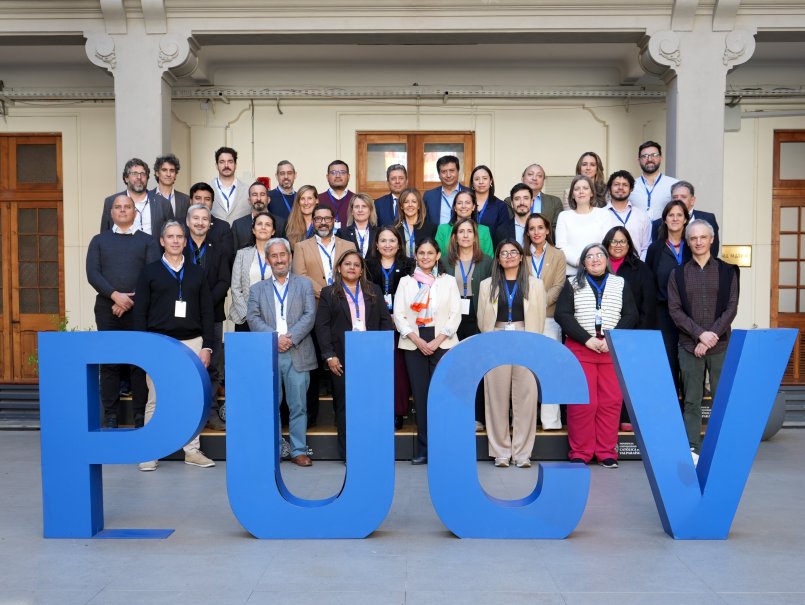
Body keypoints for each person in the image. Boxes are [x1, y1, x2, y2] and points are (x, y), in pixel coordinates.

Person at [133, 221, 216, 471]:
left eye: (180, 236)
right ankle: (150, 451)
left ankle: (192, 451)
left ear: (185, 241)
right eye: (170, 236)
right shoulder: (149, 272)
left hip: (192, 342)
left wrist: (207, 346)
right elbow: (140, 313)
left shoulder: (197, 272)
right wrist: (144, 347)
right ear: (162, 241)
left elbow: (207, 313)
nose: (176, 241)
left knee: (191, 397)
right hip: (159, 342)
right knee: (156, 399)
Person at [555, 243, 638, 468]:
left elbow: (631, 314)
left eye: (599, 255)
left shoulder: (620, 283)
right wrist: (587, 339)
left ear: (606, 259)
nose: (594, 259)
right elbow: (562, 314)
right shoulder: (572, 283)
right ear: (583, 263)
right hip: (581, 348)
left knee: (610, 402)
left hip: (610, 350)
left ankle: (606, 452)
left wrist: (611, 340)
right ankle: (580, 452)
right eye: (589, 257)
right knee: (583, 404)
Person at [668, 219, 738, 465]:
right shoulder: (677, 274)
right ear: (688, 242)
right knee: (691, 401)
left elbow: (731, 308)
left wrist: (709, 339)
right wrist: (700, 335)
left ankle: (722, 448)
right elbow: (675, 311)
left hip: (719, 346)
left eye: (703, 237)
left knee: (722, 399)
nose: (698, 242)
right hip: (689, 347)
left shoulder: (728, 271)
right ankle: (692, 449)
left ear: (712, 239)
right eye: (693, 238)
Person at [86, 194, 160, 428]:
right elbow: (93, 274)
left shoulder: (147, 241)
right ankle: (111, 414)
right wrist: (115, 296)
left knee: (139, 363)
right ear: (111, 213)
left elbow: (151, 274)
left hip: (139, 310)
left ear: (135, 212)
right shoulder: (99, 240)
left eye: (127, 207)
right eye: (117, 207)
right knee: (109, 362)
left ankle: (139, 414)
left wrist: (129, 301)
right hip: (107, 309)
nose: (122, 210)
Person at [315, 250, 394, 460]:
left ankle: (371, 450)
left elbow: (386, 322)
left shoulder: (373, 290)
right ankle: (349, 453)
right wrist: (329, 356)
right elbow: (321, 327)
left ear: (361, 270)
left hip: (370, 357)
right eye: (347, 264)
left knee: (371, 404)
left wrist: (382, 352)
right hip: (341, 358)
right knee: (344, 407)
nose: (352, 267)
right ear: (339, 268)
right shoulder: (328, 292)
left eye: (356, 265)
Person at [247, 237, 317, 466]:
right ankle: (275, 450)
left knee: (299, 406)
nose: (279, 259)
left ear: (290, 257)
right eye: (274, 256)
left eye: (283, 255)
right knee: (271, 405)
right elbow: (252, 318)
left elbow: (309, 316)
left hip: (298, 352)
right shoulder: (257, 290)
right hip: (270, 353)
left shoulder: (304, 285)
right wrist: (275, 338)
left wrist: (290, 338)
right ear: (268, 260)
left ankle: (298, 450)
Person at [478, 239, 546, 468]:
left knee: (525, 397)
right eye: (503, 253)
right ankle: (501, 452)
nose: (508, 256)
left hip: (525, 336)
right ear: (497, 258)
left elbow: (539, 316)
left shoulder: (535, 284)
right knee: (496, 396)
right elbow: (481, 319)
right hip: (496, 337)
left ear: (520, 256)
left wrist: (534, 344)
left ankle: (522, 453)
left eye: (513, 252)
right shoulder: (487, 284)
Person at [393, 238, 461, 464]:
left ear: (438, 256)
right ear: (415, 256)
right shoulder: (406, 282)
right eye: (421, 253)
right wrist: (417, 339)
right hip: (414, 343)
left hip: (443, 341)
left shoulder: (448, 281)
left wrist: (438, 339)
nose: (425, 257)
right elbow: (399, 315)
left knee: (442, 396)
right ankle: (424, 449)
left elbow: (455, 314)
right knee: (421, 397)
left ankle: (443, 448)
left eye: (430, 253)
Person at [291, 204, 355, 426]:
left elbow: (353, 270)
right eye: (318, 219)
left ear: (334, 220)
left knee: (341, 363)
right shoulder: (301, 247)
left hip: (344, 313)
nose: (323, 222)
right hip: (315, 308)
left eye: (327, 218)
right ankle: (311, 418)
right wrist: (330, 293)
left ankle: (344, 418)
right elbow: (300, 275)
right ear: (313, 222)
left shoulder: (349, 245)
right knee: (315, 365)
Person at [603, 225, 657, 432]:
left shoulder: (640, 269)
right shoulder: (599, 265)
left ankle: (627, 416)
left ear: (629, 245)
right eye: (614, 241)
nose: (618, 245)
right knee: (609, 381)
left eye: (622, 241)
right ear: (607, 244)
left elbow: (648, 304)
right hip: (603, 334)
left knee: (628, 380)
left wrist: (638, 334)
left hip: (632, 334)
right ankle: (609, 419)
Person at [442, 217, 493, 431]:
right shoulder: (444, 261)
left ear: (475, 236)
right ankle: (454, 412)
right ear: (454, 236)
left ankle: (477, 416)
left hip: (477, 320)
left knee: (477, 369)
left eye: (469, 231)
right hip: (451, 322)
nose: (465, 235)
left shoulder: (488, 261)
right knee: (454, 368)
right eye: (460, 231)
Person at [183, 204, 231, 431]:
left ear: (210, 223)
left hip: (212, 315)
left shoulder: (219, 248)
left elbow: (224, 281)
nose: (200, 222)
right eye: (196, 218)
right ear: (188, 221)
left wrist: (205, 305)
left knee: (211, 366)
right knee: (186, 365)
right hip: (183, 317)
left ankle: (210, 415)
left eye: (205, 219)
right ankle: (187, 413)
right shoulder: (178, 247)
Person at [365, 227, 415, 430]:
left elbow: (415, 294)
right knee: (376, 369)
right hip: (375, 324)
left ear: (399, 244)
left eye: (392, 240)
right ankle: (377, 410)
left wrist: (399, 318)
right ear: (376, 244)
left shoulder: (409, 265)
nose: (387, 245)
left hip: (402, 324)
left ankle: (397, 412)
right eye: (383, 241)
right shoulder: (367, 265)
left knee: (399, 371)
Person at [523, 212, 566, 429]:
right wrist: (531, 308)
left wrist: (538, 304)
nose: (536, 232)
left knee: (550, 369)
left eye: (540, 228)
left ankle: (551, 421)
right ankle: (527, 420)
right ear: (527, 233)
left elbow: (559, 286)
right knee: (527, 371)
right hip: (526, 320)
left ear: (547, 230)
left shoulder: (558, 255)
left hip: (549, 318)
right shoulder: (522, 256)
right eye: (532, 228)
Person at [645, 200, 692, 393]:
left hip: (690, 312)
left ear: (686, 219)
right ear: (664, 219)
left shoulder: (693, 245)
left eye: (679, 215)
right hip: (663, 314)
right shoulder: (655, 248)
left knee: (689, 362)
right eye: (671, 215)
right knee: (667, 361)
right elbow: (649, 282)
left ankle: (689, 411)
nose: (675, 218)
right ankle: (671, 410)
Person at [100, 157, 174, 237]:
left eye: (143, 174)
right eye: (134, 173)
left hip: (153, 249)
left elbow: (171, 234)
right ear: (126, 178)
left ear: (147, 178)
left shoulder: (163, 203)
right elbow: (104, 236)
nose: (139, 177)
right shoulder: (111, 202)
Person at [229, 212, 276, 332]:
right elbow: (235, 287)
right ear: (253, 230)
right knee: (245, 350)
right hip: (245, 317)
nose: (263, 227)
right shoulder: (242, 254)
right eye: (259, 224)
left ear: (273, 231)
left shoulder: (280, 256)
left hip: (273, 316)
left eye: (268, 225)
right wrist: (247, 314)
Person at [555, 175, 611, 275]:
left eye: (585, 188)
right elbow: (561, 246)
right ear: (572, 195)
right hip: (572, 274)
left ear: (592, 193)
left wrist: (593, 263)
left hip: (598, 271)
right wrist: (580, 262)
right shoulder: (564, 216)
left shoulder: (604, 214)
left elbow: (607, 244)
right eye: (577, 189)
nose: (581, 191)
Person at [650, 181, 720, 255]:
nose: (678, 200)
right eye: (675, 197)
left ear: (692, 200)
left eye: (683, 197)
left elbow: (713, 250)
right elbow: (655, 255)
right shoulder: (658, 223)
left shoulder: (708, 219)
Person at [605, 170, 651, 260]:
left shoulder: (642, 216)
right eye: (616, 184)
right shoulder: (600, 215)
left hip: (635, 267)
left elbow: (646, 246)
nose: (620, 187)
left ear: (631, 189)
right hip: (608, 268)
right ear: (609, 189)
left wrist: (639, 265)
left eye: (625, 185)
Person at [188, 182, 235, 267]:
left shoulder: (223, 227)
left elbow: (226, 259)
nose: (202, 202)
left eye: (207, 199)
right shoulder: (179, 225)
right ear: (190, 201)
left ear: (212, 203)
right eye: (198, 198)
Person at [629, 141, 678, 221]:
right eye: (645, 156)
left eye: (654, 155)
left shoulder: (674, 184)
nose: (649, 159)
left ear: (660, 158)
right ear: (639, 161)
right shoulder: (630, 185)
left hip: (664, 232)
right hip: (637, 233)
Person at [434, 190, 494, 256]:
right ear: (454, 207)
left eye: (467, 203)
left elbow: (489, 259)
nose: (463, 206)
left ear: (473, 207)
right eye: (459, 203)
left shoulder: (484, 230)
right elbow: (437, 257)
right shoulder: (443, 229)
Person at [505, 164, 563, 231]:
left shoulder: (555, 202)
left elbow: (557, 230)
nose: (534, 178)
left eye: (539, 176)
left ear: (543, 181)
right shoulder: (508, 201)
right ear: (522, 178)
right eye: (530, 174)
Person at [231, 181, 285, 251]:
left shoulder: (281, 223)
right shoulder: (238, 225)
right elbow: (233, 255)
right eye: (254, 194)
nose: (258, 198)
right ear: (249, 200)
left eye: (262, 194)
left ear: (268, 200)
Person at [210, 146, 251, 225]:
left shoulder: (247, 190)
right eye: (222, 162)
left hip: (240, 236)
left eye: (230, 161)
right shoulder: (207, 189)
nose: (226, 165)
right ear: (216, 165)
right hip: (215, 236)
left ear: (235, 165)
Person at [424, 155, 469, 225]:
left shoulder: (469, 193)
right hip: (437, 235)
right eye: (444, 171)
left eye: (452, 171)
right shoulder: (429, 196)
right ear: (439, 174)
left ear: (458, 172)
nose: (448, 175)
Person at [394, 187, 437, 259]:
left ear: (419, 205)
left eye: (414, 201)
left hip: (423, 268)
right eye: (406, 202)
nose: (410, 205)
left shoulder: (431, 228)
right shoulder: (394, 228)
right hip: (401, 268)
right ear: (401, 206)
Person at [469, 164, 509, 233]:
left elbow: (503, 235)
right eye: (477, 179)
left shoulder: (500, 206)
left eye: (485, 178)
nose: (481, 182)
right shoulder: (465, 203)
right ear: (472, 183)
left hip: (492, 243)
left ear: (490, 181)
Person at [336, 192, 378, 258]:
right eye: (357, 207)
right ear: (352, 211)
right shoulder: (342, 233)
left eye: (364, 206)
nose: (360, 210)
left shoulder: (379, 232)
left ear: (370, 210)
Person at [151, 153, 190, 223]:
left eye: (172, 171)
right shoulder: (148, 197)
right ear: (157, 173)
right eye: (164, 170)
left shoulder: (186, 200)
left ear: (175, 175)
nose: (168, 174)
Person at [494, 183, 534, 249]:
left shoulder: (542, 227)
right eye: (517, 199)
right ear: (512, 203)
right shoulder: (501, 231)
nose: (522, 202)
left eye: (526, 198)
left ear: (532, 202)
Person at [318, 160, 354, 229]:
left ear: (348, 176)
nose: (338, 176)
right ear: (327, 177)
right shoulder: (317, 199)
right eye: (333, 173)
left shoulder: (356, 199)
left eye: (342, 172)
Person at [285, 185, 318, 250]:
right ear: (298, 202)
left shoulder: (323, 224)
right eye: (302, 199)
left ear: (316, 200)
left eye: (309, 198)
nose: (306, 203)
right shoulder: (289, 225)